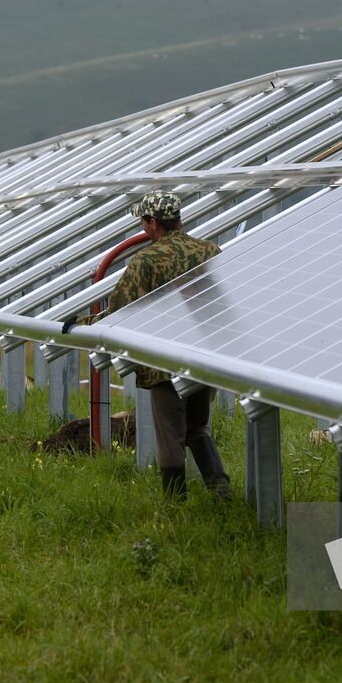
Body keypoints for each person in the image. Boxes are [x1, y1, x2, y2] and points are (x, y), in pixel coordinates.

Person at [64, 191, 230, 499]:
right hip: (204, 353)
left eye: (143, 220)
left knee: (170, 435)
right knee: (198, 427)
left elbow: (120, 311)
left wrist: (80, 325)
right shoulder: (209, 250)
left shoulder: (146, 261)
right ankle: (222, 491)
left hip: (164, 358)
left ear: (153, 223)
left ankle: (175, 505)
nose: (142, 226)